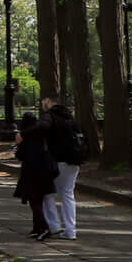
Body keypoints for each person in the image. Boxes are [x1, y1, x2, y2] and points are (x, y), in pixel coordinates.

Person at [13, 110, 59, 240]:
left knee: (35, 201)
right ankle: (37, 227)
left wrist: (18, 145)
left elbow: (21, 155)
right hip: (44, 171)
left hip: (31, 172)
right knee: (38, 200)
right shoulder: (41, 136)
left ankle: (43, 228)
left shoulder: (25, 137)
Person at [42, 98, 83, 240]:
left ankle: (54, 225)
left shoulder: (50, 116)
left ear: (47, 101)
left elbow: (42, 130)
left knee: (47, 193)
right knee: (68, 194)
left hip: (57, 161)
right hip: (74, 160)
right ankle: (71, 230)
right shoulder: (70, 116)